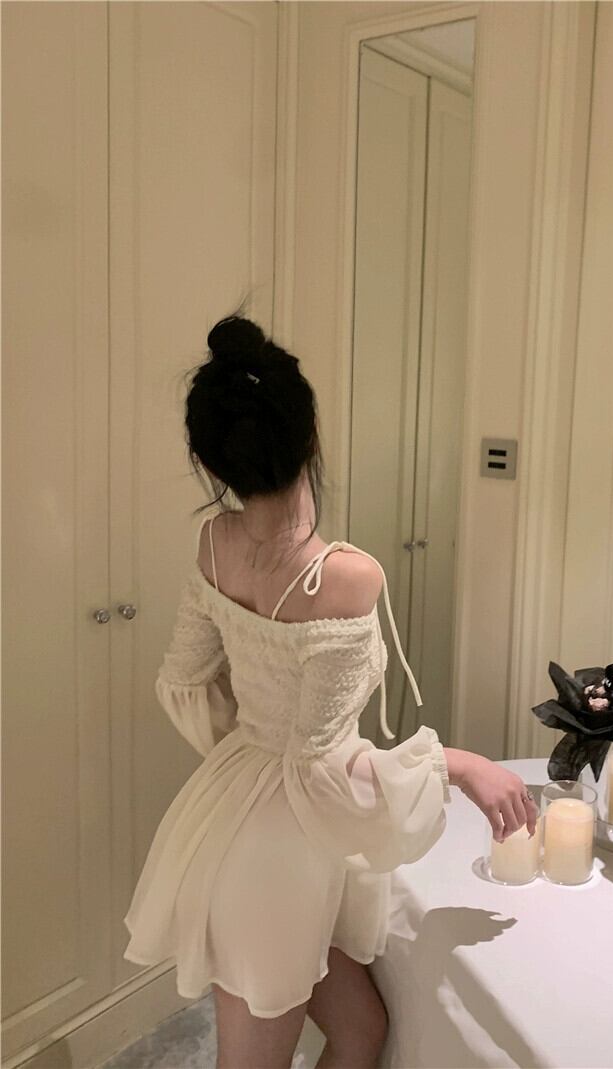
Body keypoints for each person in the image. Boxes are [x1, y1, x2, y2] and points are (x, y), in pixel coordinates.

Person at [123, 313, 538, 1069]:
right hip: (275, 854)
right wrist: (459, 764)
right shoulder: (346, 577)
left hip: (249, 819)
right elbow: (318, 766)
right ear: (312, 432)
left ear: (208, 458)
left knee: (361, 1030)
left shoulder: (214, 542)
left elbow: (183, 681)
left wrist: (253, 746)